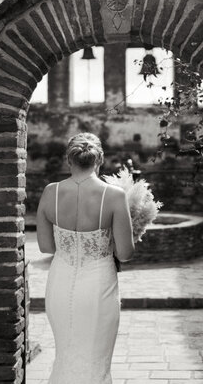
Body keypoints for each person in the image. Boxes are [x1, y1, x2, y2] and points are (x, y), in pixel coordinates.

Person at [36, 132, 135, 384]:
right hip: (98, 286)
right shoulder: (113, 195)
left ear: (69, 160)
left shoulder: (50, 192)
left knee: (66, 354)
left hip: (60, 283)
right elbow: (125, 253)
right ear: (99, 159)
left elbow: (46, 247)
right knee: (95, 358)